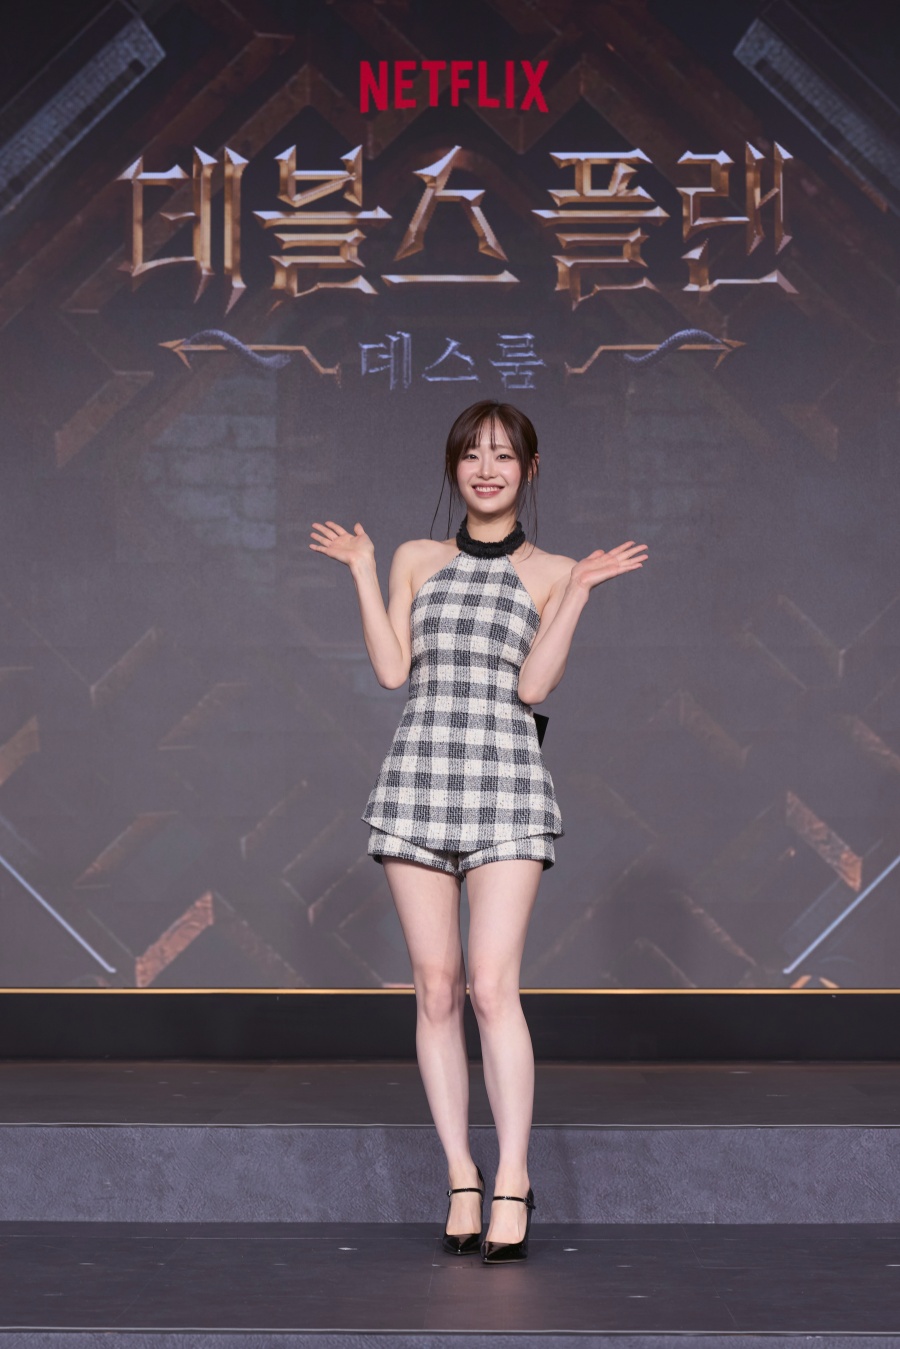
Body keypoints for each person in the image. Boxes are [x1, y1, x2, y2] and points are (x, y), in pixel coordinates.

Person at [310, 400, 647, 1262]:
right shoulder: (416, 557)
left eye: (502, 455)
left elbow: (534, 687)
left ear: (530, 469)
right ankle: (462, 1173)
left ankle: (514, 1176)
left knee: (493, 987)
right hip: (418, 782)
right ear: (453, 467)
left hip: (506, 787)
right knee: (436, 988)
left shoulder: (555, 570)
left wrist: (578, 593)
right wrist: (362, 570)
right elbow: (392, 670)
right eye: (471, 454)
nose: (486, 468)